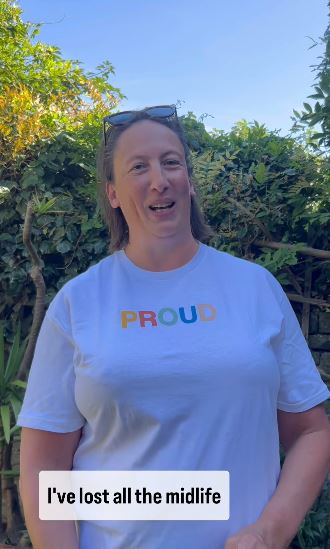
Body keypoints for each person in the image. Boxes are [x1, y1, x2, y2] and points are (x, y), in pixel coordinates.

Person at [18, 105, 330, 549]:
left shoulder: (254, 288)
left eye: (171, 162)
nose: (159, 180)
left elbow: (312, 432)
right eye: (138, 167)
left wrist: (268, 532)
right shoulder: (78, 303)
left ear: (189, 180)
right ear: (112, 193)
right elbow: (44, 465)